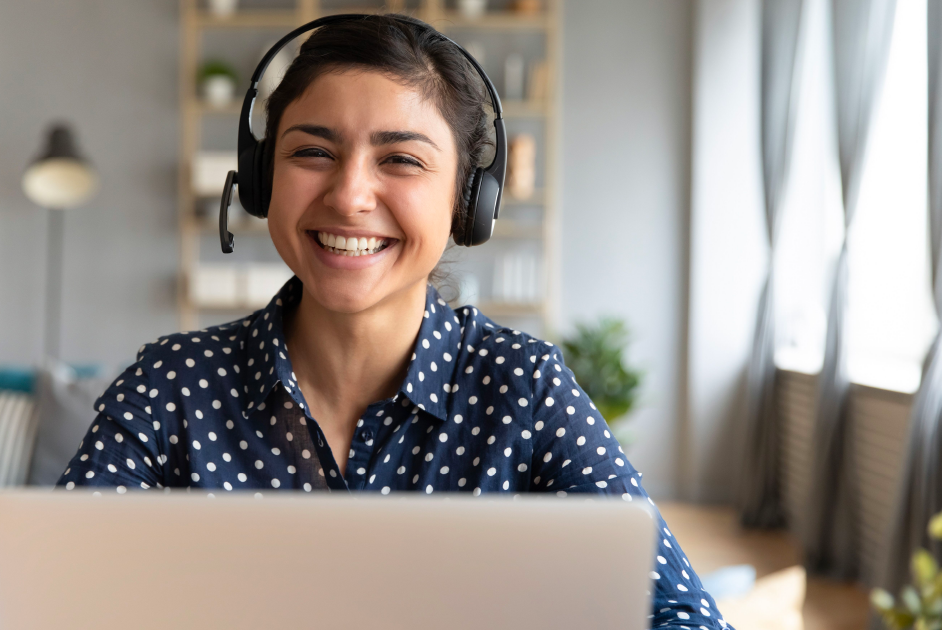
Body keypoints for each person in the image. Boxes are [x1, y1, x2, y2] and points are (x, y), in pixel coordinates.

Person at [58, 14, 732, 629]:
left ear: (468, 202)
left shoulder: (524, 389)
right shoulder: (175, 384)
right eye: (312, 152)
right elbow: (40, 599)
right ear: (262, 179)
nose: (350, 196)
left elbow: (681, 615)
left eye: (401, 160)